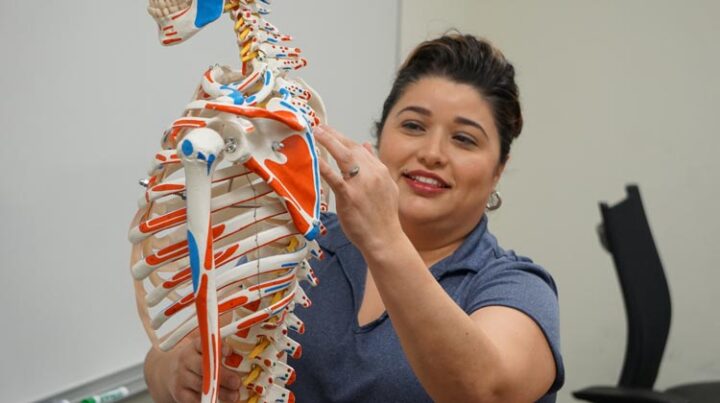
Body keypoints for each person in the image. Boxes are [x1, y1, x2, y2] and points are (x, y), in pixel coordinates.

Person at [144, 33, 564, 403]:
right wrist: (173, 375)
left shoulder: (515, 287)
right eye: (414, 126)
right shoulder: (305, 242)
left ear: (498, 168)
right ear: (381, 137)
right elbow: (171, 353)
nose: (433, 152)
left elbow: (485, 391)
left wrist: (382, 239)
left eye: (464, 139)